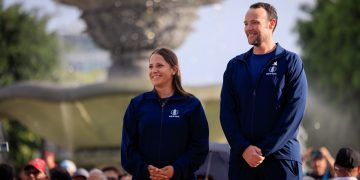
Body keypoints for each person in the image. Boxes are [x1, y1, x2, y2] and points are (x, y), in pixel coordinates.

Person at [220, 2, 308, 180]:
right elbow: (227, 114)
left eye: (255, 22)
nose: (248, 28)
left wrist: (264, 149)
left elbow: (294, 112)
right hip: (242, 162)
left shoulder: (290, 61)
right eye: (245, 23)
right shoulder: (235, 66)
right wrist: (244, 148)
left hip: (281, 161)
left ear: (272, 24)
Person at [121, 47, 209, 179]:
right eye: (150, 67)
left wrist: (175, 170)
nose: (153, 70)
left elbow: (199, 148)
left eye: (159, 66)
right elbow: (127, 149)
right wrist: (146, 170)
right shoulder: (137, 104)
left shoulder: (191, 105)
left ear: (174, 70)